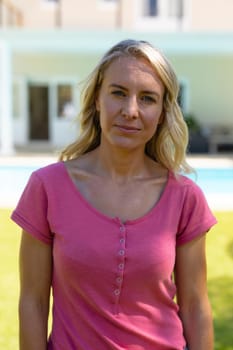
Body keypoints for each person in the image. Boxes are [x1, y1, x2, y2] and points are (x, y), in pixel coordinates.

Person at [11, 39, 217, 350]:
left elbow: (196, 307)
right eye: (118, 93)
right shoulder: (47, 188)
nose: (130, 111)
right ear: (96, 99)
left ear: (162, 112)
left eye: (147, 98)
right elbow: (33, 301)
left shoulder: (185, 198)